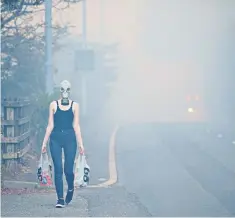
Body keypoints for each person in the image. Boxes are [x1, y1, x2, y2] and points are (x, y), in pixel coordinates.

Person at [41, 80, 84, 208]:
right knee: (58, 168)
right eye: (63, 89)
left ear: (70, 90)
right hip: (55, 138)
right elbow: (50, 125)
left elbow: (76, 125)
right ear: (60, 90)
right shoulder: (53, 105)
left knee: (68, 169)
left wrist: (81, 144)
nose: (65, 92)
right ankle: (60, 199)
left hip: (70, 138)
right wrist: (44, 143)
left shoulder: (75, 106)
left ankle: (70, 188)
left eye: (67, 89)